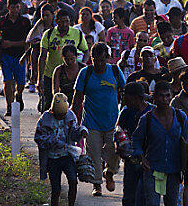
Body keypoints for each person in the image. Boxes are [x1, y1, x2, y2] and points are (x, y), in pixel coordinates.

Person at [72, 42, 124, 196]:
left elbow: (125, 90)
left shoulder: (114, 70)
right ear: (92, 59)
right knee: (94, 154)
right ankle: (97, 184)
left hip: (112, 122)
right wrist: (74, 122)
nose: (99, 64)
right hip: (91, 122)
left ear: (107, 58)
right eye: (96, 60)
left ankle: (109, 173)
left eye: (102, 60)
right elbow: (77, 99)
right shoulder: (85, 73)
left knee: (113, 153)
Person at [133, 79, 188, 206]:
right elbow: (136, 141)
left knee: (173, 203)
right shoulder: (147, 119)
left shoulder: (181, 117)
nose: (164, 99)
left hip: (174, 170)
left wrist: (185, 169)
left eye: (167, 95)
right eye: (161, 96)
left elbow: (186, 144)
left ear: (172, 96)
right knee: (152, 203)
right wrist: (142, 158)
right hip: (153, 169)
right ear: (154, 97)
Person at [35, 93, 87, 206]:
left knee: (73, 181)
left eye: (63, 115)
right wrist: (53, 142)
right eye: (59, 115)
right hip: (52, 158)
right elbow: (39, 138)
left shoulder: (70, 116)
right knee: (56, 188)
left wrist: (81, 132)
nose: (61, 117)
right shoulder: (45, 119)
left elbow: (74, 133)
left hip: (67, 156)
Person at [39, 9, 89, 112]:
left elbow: (86, 51)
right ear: (56, 21)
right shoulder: (48, 34)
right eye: (62, 21)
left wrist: (81, 65)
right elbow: (42, 56)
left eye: (67, 21)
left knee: (73, 104)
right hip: (50, 73)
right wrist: (40, 78)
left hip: (72, 75)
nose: (65, 24)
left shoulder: (77, 33)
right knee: (50, 103)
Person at [0, 0, 31, 115]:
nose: (15, 10)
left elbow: (27, 41)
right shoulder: (2, 21)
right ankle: (9, 106)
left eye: (17, 7)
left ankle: (18, 95)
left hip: (20, 56)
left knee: (20, 84)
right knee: (7, 82)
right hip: (6, 57)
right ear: (8, 8)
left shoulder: (25, 22)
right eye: (12, 7)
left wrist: (11, 44)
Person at [118, 82, 152, 206]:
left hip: (148, 161)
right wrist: (120, 146)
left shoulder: (152, 112)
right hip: (131, 160)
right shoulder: (126, 112)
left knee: (145, 196)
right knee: (129, 196)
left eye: (125, 96)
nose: (123, 99)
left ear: (135, 98)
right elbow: (119, 131)